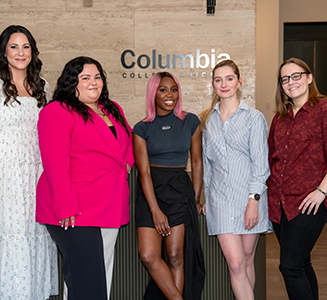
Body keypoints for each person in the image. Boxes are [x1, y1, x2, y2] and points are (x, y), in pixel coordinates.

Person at [36, 56, 134, 300]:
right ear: (73, 82)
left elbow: (128, 141)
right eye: (85, 77)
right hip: (75, 209)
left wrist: (128, 163)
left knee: (100, 272)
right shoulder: (57, 111)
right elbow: (54, 164)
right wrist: (65, 205)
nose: (94, 82)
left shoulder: (112, 108)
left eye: (97, 77)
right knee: (87, 276)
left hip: (110, 202)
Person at [0, 25, 58, 299]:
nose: (20, 52)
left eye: (25, 47)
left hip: (33, 175)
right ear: (4, 50)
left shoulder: (42, 85)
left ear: (33, 51)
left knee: (29, 233)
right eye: (14, 46)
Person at [200, 59, 272, 300]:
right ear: (213, 85)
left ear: (239, 82)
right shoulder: (206, 121)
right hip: (219, 201)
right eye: (218, 80)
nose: (224, 84)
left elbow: (261, 166)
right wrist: (204, 198)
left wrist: (254, 201)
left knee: (248, 259)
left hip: (249, 198)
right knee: (236, 264)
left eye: (229, 79)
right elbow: (206, 166)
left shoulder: (254, 118)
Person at [133, 72, 205, 300]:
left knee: (175, 256)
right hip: (149, 193)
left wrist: (193, 199)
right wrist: (155, 210)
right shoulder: (141, 128)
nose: (170, 95)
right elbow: (143, 171)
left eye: (174, 89)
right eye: (163, 90)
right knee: (148, 255)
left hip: (179, 191)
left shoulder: (190, 121)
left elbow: (196, 161)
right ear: (153, 93)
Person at [267, 57, 327, 300]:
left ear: (309, 77)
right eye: (285, 79)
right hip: (279, 203)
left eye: (296, 76)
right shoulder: (279, 118)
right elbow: (272, 159)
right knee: (301, 263)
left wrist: (322, 191)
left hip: (309, 201)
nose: (291, 82)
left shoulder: (323, 110)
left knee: (290, 266)